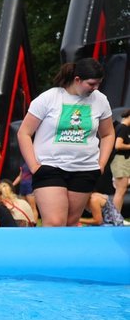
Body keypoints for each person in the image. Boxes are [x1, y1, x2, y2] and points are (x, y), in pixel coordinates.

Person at [16, 58, 115, 226]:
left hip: (85, 169)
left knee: (71, 222)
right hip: (50, 168)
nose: (95, 88)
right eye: (92, 84)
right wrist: (33, 166)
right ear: (77, 79)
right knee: (55, 222)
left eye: (99, 84)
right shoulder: (49, 98)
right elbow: (24, 133)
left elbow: (108, 134)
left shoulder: (100, 100)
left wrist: (102, 164)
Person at [111, 109, 130, 215]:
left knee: (121, 191)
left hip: (124, 162)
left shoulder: (125, 128)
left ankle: (117, 217)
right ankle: (114, 217)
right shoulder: (122, 128)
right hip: (120, 161)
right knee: (120, 191)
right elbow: (118, 145)